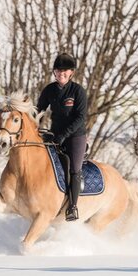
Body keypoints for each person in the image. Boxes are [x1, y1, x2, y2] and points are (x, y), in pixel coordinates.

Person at [37, 53, 88, 222]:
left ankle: (72, 207)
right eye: (58, 70)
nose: (61, 73)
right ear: (54, 72)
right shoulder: (49, 90)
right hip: (54, 135)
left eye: (65, 71)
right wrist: (33, 125)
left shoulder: (78, 91)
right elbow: (39, 110)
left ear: (71, 73)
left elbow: (80, 117)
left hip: (75, 136)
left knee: (74, 168)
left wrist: (64, 135)